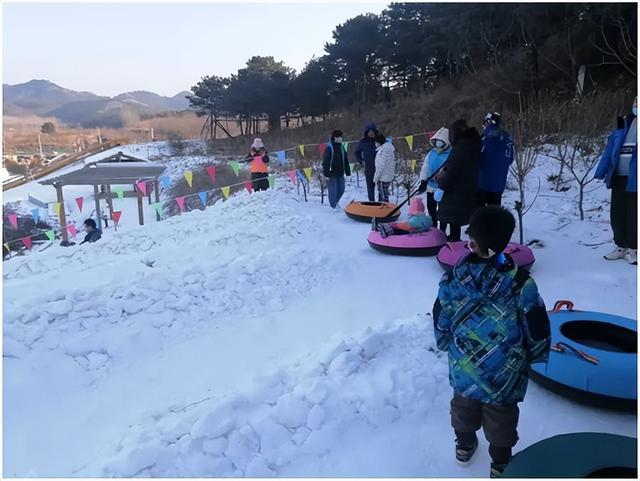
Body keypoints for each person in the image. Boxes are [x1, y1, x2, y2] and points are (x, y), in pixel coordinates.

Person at [433, 206, 551, 478]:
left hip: (464, 363)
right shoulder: (521, 283)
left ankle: (464, 446)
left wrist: (443, 342)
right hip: (504, 371)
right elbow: (536, 325)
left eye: (470, 235)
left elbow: (441, 313)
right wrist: (535, 354)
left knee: (463, 405)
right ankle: (500, 462)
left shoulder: (453, 278)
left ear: (473, 242)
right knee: (501, 416)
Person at [595, 97, 637, 265]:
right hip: (618, 175)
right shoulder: (623, 122)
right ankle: (620, 246)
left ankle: (634, 248)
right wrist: (602, 169)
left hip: (636, 177)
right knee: (617, 213)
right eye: (636, 102)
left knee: (634, 213)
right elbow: (612, 145)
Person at [436, 119, 481, 241]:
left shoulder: (461, 147)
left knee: (453, 215)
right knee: (457, 216)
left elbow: (452, 170)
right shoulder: (474, 144)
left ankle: (454, 241)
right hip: (469, 185)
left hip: (456, 188)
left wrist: (442, 185)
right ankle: (455, 238)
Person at [477, 112, 514, 208]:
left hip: (482, 182)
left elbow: (476, 158)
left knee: (479, 215)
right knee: (494, 215)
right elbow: (509, 159)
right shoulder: (508, 138)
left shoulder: (483, 139)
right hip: (499, 184)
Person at [418, 127, 452, 229]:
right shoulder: (431, 153)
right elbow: (425, 167)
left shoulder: (451, 154)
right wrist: (423, 180)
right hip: (430, 186)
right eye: (436, 142)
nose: (438, 145)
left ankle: (442, 230)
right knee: (431, 209)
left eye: (440, 142)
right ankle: (433, 228)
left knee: (442, 211)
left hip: (442, 188)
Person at [323, 130, 351, 210]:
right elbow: (326, 162)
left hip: (340, 172)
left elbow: (345, 159)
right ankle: (333, 206)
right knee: (333, 191)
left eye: (341, 137)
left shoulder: (341, 147)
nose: (341, 138)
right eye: (339, 137)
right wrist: (326, 174)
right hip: (331, 174)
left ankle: (335, 203)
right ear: (335, 137)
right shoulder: (329, 148)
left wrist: (347, 171)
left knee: (341, 189)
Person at [355, 122, 379, 201]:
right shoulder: (363, 142)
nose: (371, 134)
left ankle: (382, 202)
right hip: (369, 167)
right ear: (367, 133)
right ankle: (371, 202)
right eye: (370, 132)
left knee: (381, 186)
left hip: (380, 167)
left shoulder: (379, 140)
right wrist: (361, 161)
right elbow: (357, 152)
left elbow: (387, 149)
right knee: (370, 187)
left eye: (373, 132)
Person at [372, 133, 396, 203]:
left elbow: (380, 166)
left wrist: (375, 178)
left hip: (383, 177)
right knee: (385, 193)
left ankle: (384, 210)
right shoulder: (389, 149)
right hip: (388, 175)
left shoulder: (382, 151)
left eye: (376, 142)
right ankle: (385, 208)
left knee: (382, 195)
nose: (375, 144)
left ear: (379, 142)